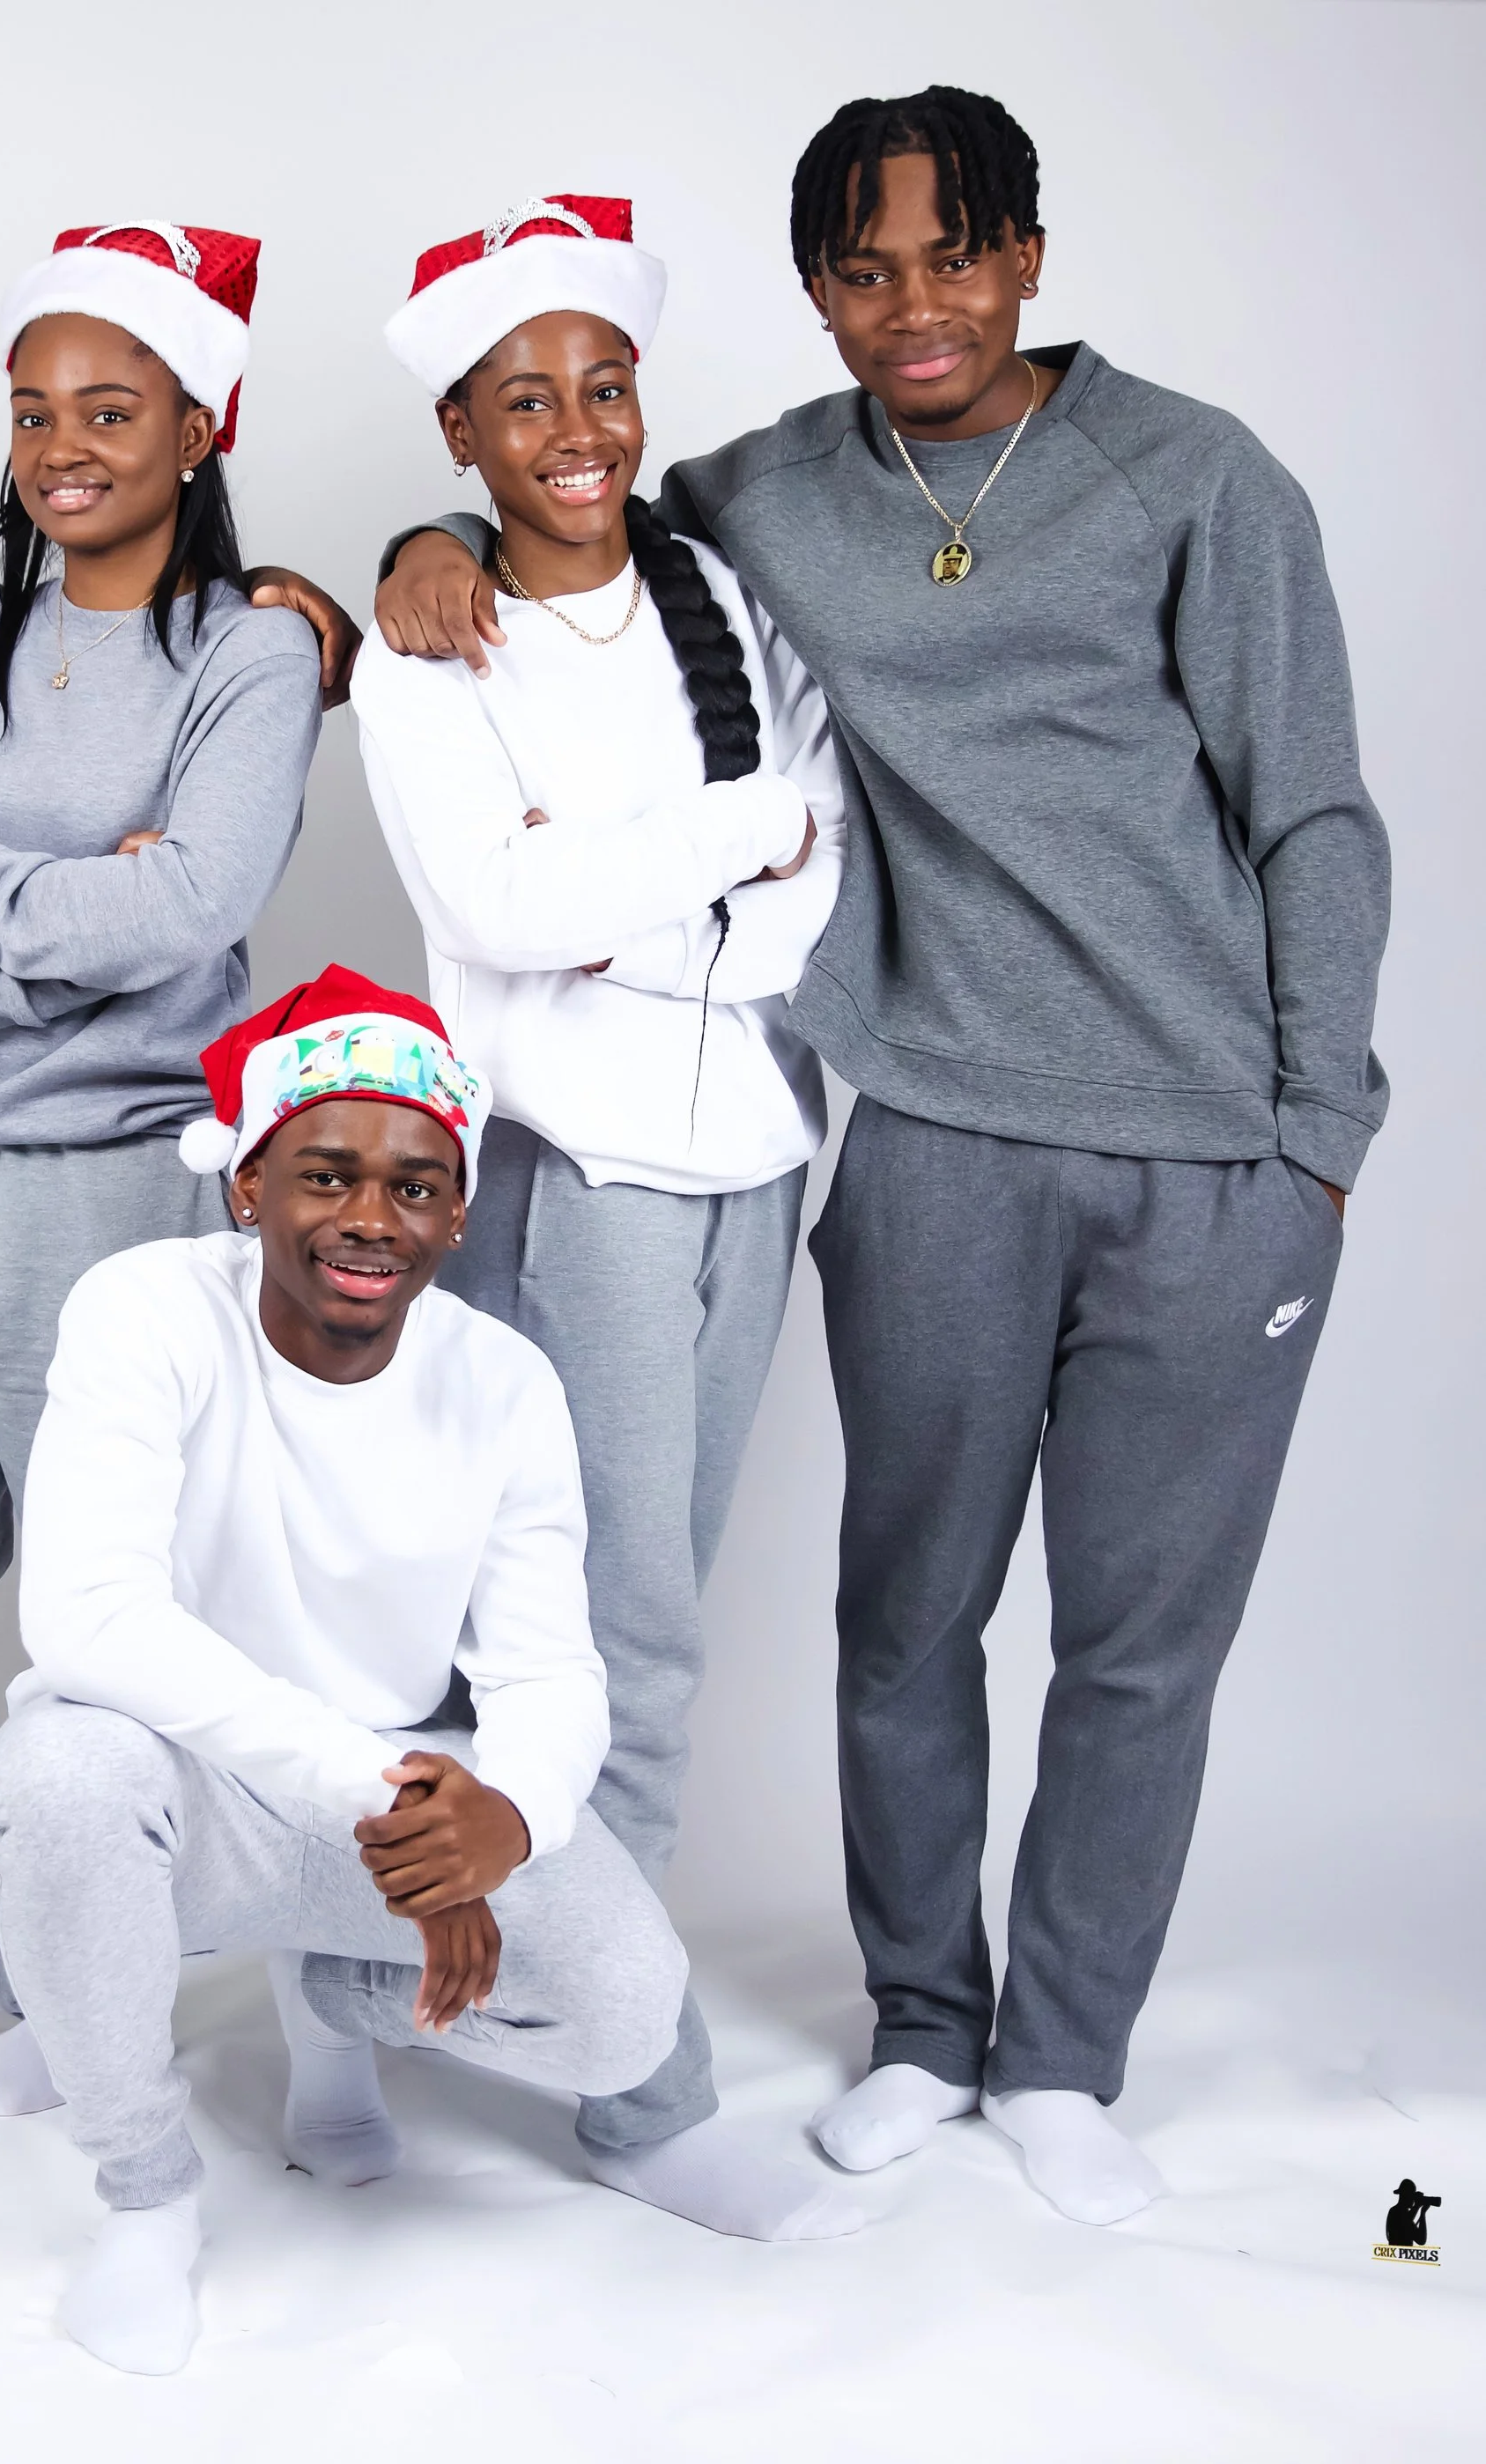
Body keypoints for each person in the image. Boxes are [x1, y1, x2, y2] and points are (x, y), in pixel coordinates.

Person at [374, 89, 1390, 2225]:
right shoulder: (760, 499)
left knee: (1135, 1642)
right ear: (814, 292)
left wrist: (1317, 1133)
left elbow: (1308, 810)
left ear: (1024, 251)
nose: (912, 307)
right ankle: (925, 2025)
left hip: (1210, 1157)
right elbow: (580, 517)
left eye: (951, 256)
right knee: (903, 1621)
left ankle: (1065, 2064)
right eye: (860, 270)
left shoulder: (1193, 478)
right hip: (928, 1138)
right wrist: (419, 552)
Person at [349, 196, 855, 2243]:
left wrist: (646, 893)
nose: (576, 428)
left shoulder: (721, 597)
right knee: (599, 1634)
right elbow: (504, 913)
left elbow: (812, 874)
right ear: (460, 436)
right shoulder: (427, 637)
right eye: (524, 400)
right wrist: (716, 855)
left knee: (643, 1607)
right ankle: (638, 2091)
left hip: (752, 1152)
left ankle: (426, 1987)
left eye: (605, 382)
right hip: (581, 1181)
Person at [0, 223, 323, 2118]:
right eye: (32, 413)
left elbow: (190, 909)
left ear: (198, 423)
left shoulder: (254, 650)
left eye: (109, 409)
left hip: (117, 1191)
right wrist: (39, 926)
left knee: (94, 1628)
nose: (59, 448)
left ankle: (83, 2004)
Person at [0, 967, 691, 2372]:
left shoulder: (504, 1385)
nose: (374, 1217)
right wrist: (391, 1793)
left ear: (459, 1211)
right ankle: (145, 2190)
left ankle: (339, 1999)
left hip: (404, 1799)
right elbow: (86, 1616)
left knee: (627, 2014)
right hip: (203, 1787)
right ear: (249, 1186)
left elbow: (552, 1672)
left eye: (418, 1186)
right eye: (328, 1174)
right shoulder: (143, 1309)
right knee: (60, 1772)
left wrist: (509, 1821)